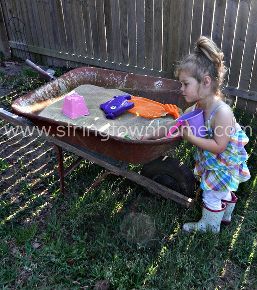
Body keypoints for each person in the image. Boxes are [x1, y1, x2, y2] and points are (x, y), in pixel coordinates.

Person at [144, 36, 251, 233]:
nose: (181, 89)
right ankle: (224, 217)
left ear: (205, 82)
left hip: (223, 163)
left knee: (212, 193)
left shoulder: (222, 112)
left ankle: (210, 226)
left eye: (185, 84)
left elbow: (219, 146)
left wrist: (191, 138)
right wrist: (151, 136)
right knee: (222, 191)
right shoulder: (198, 107)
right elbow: (176, 124)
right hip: (216, 162)